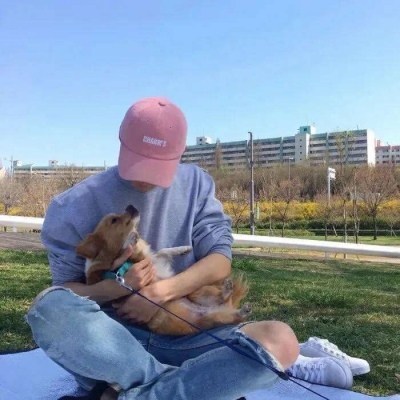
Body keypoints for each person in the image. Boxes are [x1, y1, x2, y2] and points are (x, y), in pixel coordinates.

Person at [27, 97, 361, 400]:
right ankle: (184, 386)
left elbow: (220, 261)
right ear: (120, 141)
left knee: (280, 339)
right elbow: (67, 294)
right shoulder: (71, 206)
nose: (146, 178)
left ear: (180, 153)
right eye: (139, 161)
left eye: (158, 165)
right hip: (113, 345)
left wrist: (160, 294)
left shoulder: (197, 184)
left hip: (194, 335)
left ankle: (136, 392)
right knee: (48, 310)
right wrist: (113, 289)